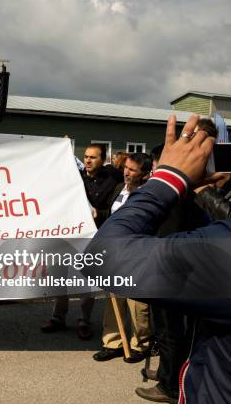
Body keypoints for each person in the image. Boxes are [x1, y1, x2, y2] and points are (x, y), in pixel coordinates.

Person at [84, 113, 231, 403]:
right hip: (176, 265)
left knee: (171, 332)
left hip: (174, 264)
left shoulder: (193, 199)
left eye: (193, 145)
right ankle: (170, 376)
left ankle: (168, 382)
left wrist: (170, 179)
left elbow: (101, 258)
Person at [41, 144, 117, 339]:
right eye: (86, 156)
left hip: (93, 239)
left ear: (103, 159)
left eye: (93, 157)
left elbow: (113, 209)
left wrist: (99, 213)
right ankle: (58, 317)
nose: (88, 160)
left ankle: (84, 321)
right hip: (68, 235)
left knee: (87, 283)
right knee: (60, 279)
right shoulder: (75, 178)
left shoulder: (112, 181)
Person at [93, 153, 153, 363]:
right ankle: (113, 343)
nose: (126, 172)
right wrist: (97, 213)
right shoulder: (119, 189)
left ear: (144, 174)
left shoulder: (149, 194)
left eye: (133, 170)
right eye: (126, 168)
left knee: (137, 303)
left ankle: (141, 344)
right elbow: (110, 216)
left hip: (137, 255)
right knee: (113, 302)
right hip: (115, 254)